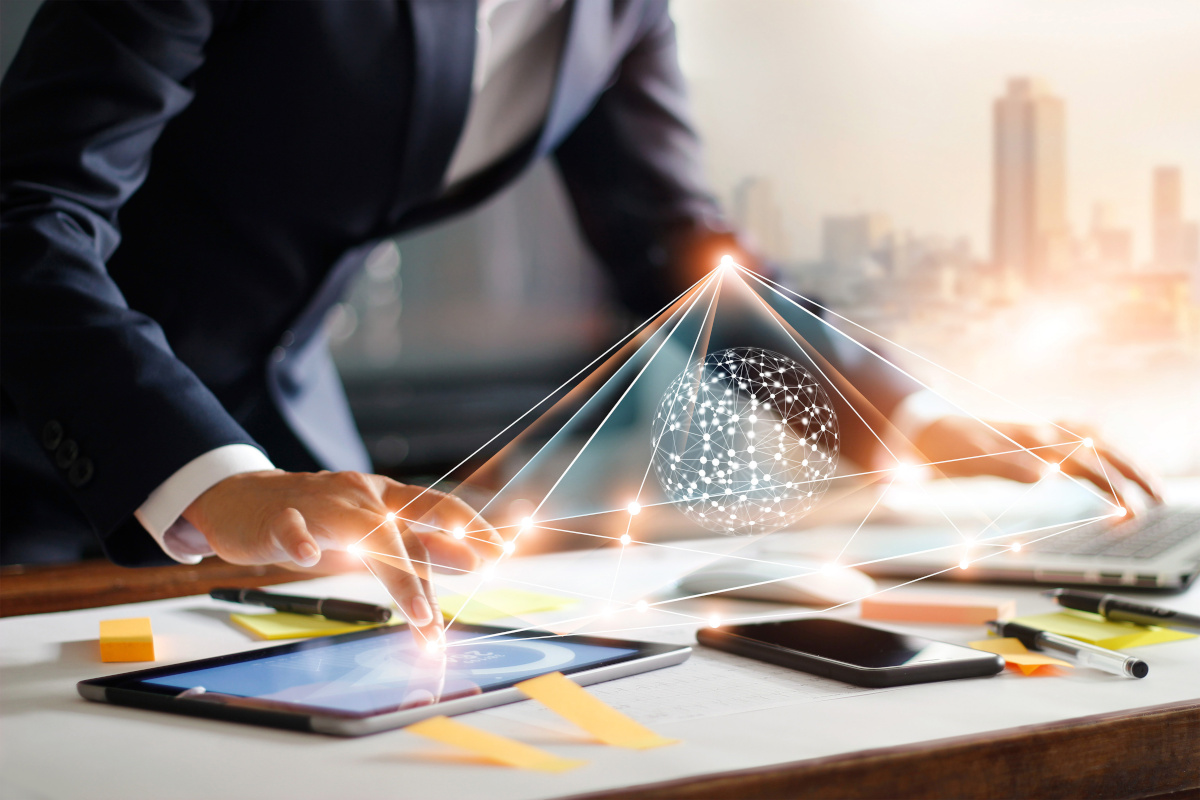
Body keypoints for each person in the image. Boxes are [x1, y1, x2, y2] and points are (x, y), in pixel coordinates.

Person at [0, 0, 1159, 643]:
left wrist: (913, 413)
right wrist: (212, 479)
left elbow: (679, 254)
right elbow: (28, 210)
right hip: (52, 415)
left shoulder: (617, 13)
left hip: (294, 438)